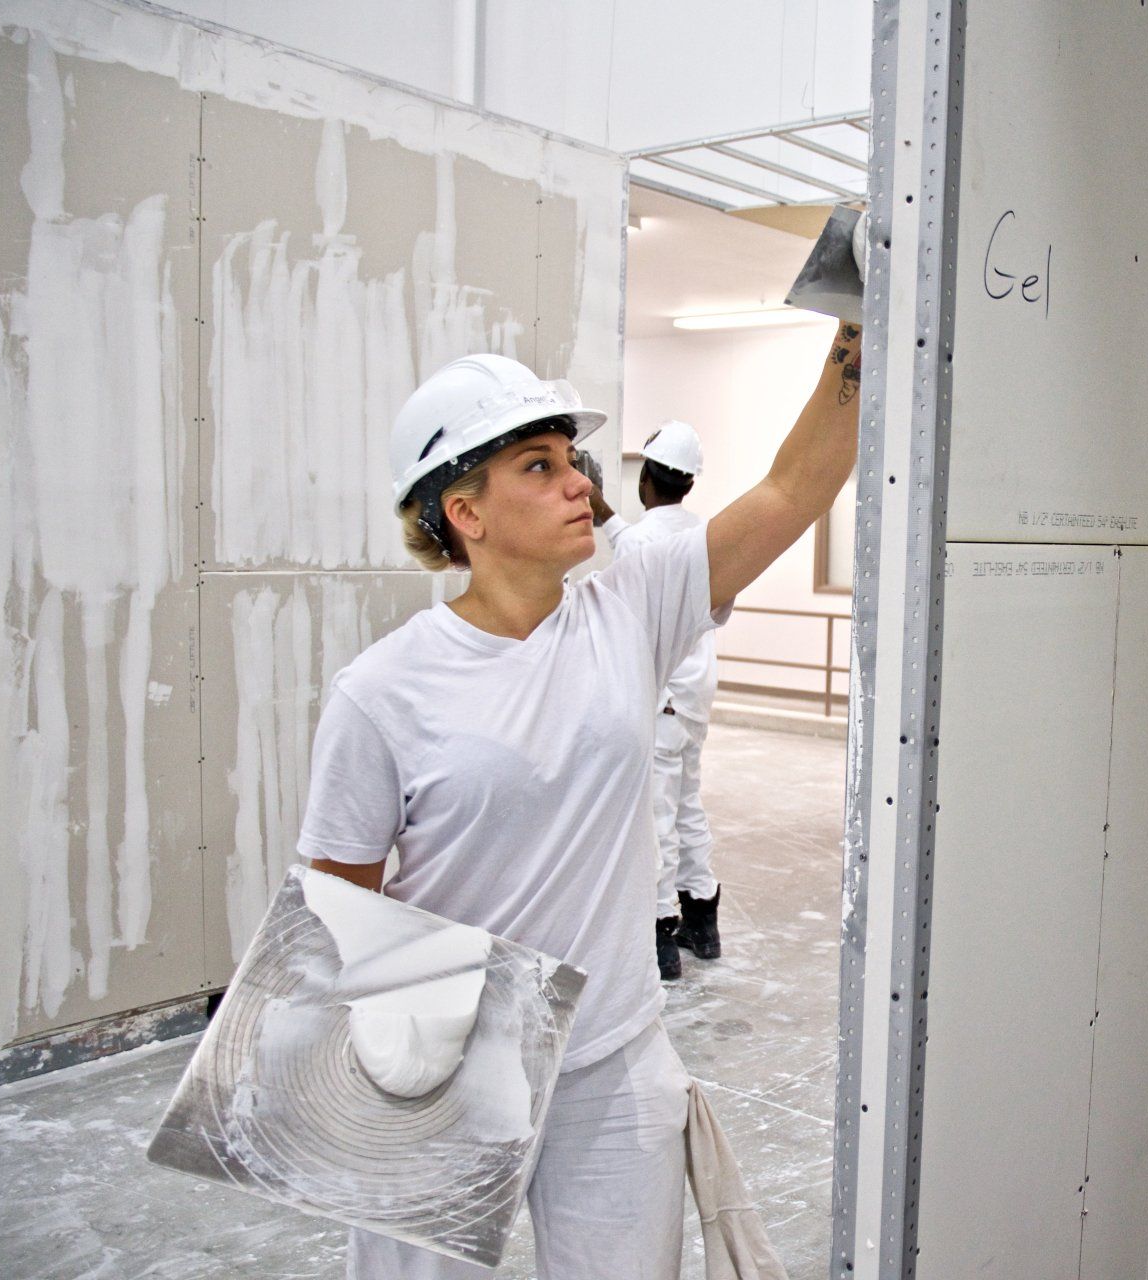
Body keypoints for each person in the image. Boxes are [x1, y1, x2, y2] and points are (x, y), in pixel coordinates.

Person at [296, 322, 862, 1279]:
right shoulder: (383, 691)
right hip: (449, 1064)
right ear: (464, 512)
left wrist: (856, 340)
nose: (582, 486)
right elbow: (339, 905)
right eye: (539, 465)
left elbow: (791, 488)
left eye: (574, 459)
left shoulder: (630, 607)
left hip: (614, 1057)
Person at [600, 420, 723, 981]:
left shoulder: (650, 538)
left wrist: (600, 510)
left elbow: (635, 554)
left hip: (664, 699)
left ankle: (660, 938)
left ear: (647, 477)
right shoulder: (708, 537)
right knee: (688, 805)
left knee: (656, 818)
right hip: (695, 699)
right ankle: (703, 919)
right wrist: (606, 516)